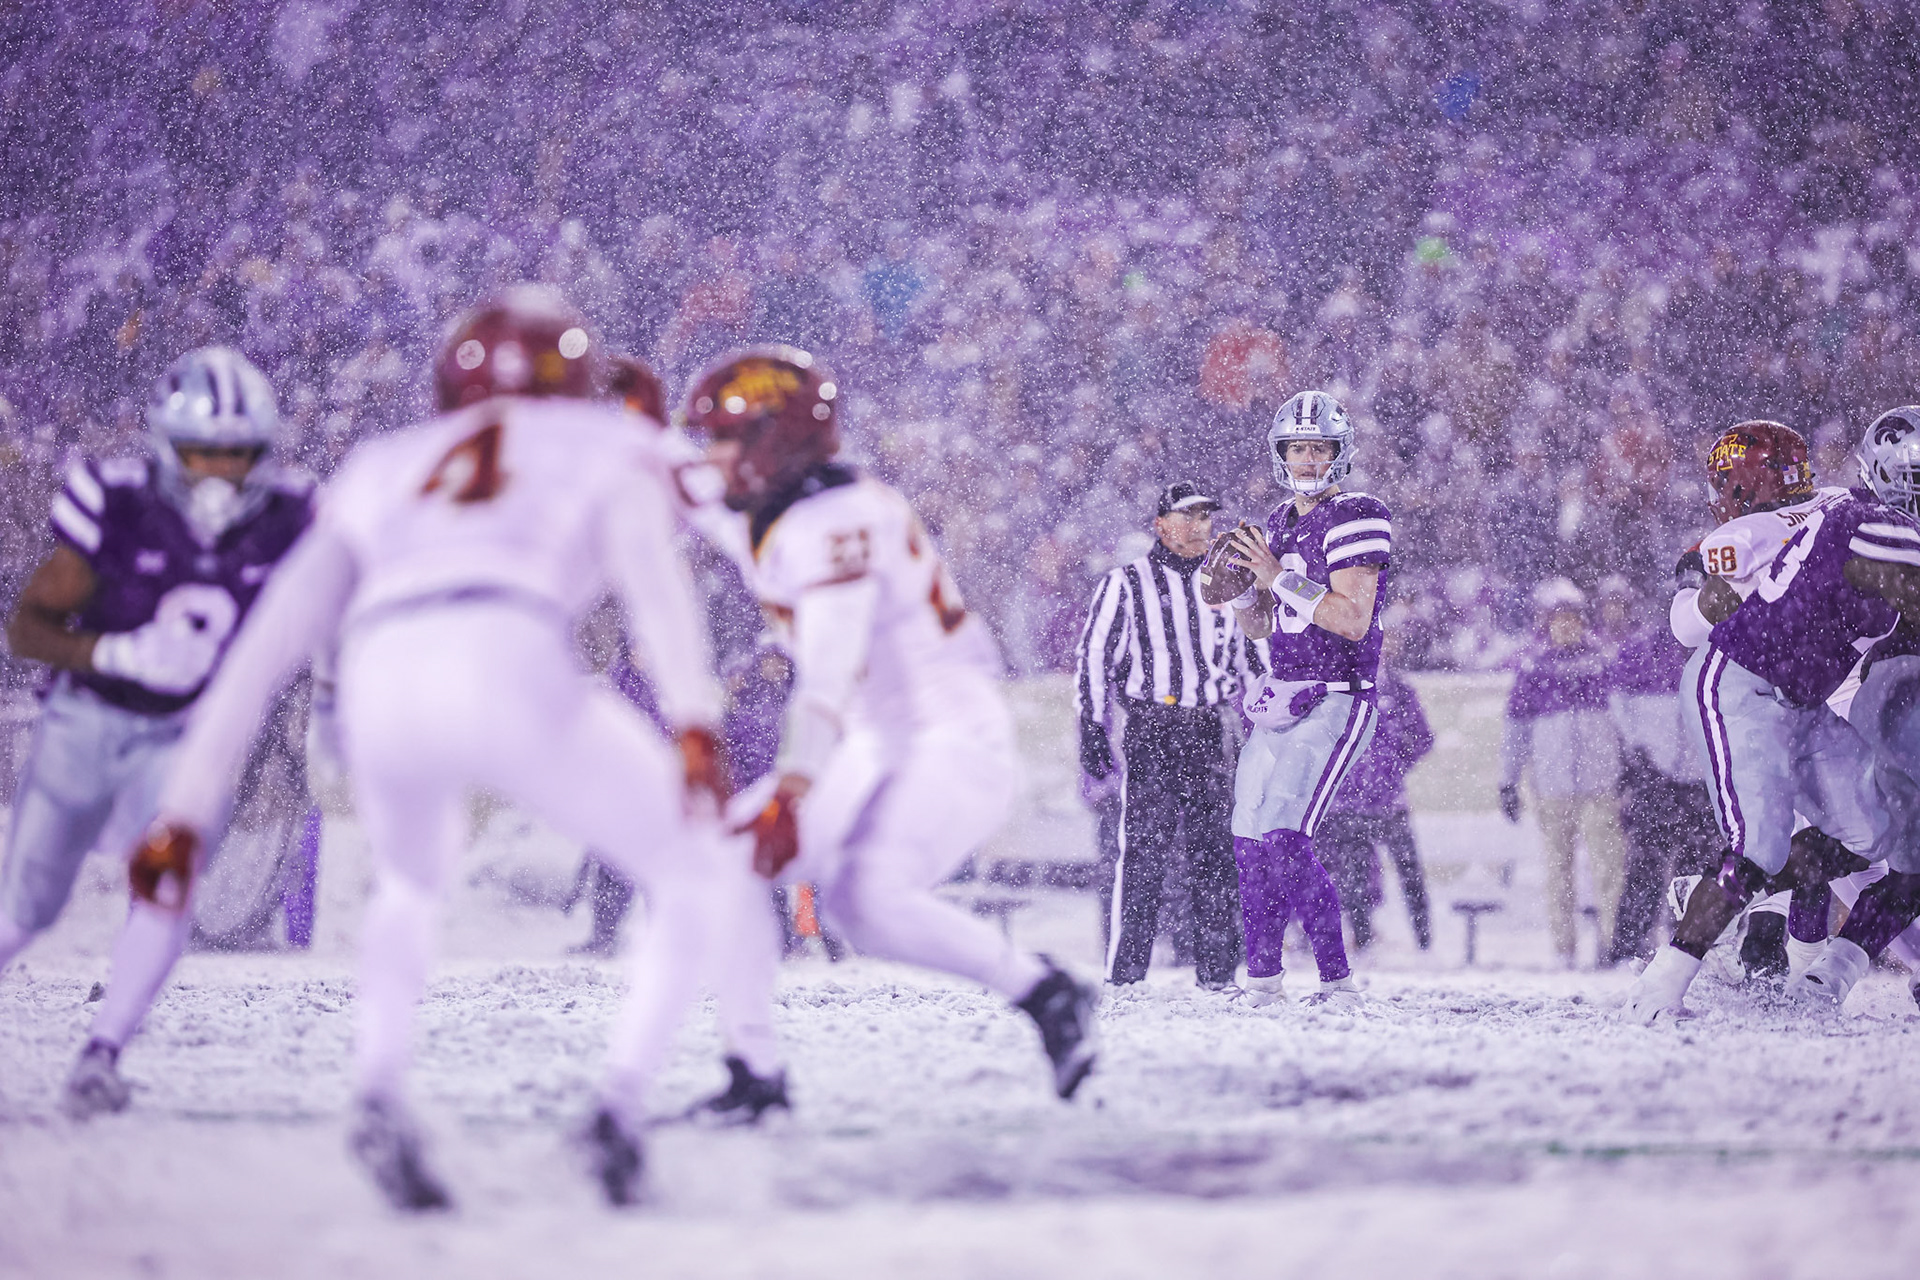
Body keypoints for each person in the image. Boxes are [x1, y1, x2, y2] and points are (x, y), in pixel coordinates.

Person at [133, 291, 775, 1210]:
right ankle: (619, 1106)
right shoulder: (605, 441)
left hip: (382, 670)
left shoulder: (384, 462)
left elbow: (267, 642)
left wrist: (182, 812)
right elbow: (653, 581)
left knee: (409, 881)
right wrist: (694, 718)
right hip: (511, 645)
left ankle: (379, 1088)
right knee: (694, 867)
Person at [682, 345, 1100, 1101]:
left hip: (950, 733)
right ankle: (755, 1070)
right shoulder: (775, 504)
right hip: (876, 739)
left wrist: (795, 785)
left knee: (869, 897)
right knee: (736, 862)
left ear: (775, 442)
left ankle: (1046, 993)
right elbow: (680, 483)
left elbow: (829, 671)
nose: (713, 457)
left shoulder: (838, 520)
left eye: (727, 439)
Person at [0, 347, 312, 1117]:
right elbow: (27, 628)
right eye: (202, 452)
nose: (220, 471)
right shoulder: (116, 500)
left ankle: (101, 1053)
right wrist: (112, 651)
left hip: (188, 734)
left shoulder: (292, 516)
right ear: (166, 445)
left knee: (166, 885)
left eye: (238, 454)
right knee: (29, 905)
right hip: (89, 716)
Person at [1623, 420, 1916, 1023]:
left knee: (1891, 833)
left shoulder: (1832, 505)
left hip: (1804, 701)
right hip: (1739, 681)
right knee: (1758, 842)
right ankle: (1658, 990)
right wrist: (1702, 593)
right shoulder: (1860, 519)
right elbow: (1695, 587)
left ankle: (1757, 908)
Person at [1219, 389, 1392, 1006]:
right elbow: (1263, 626)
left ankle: (1337, 983)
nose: (1308, 460)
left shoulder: (1358, 514)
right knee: (1248, 840)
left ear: (1340, 453)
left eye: (1319, 448)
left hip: (1338, 696)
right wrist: (1243, 593)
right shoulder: (1278, 522)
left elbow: (1350, 619)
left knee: (1285, 835)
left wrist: (1275, 576)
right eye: (1297, 449)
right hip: (1282, 696)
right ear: (1280, 454)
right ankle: (1263, 981)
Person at [1074, 480, 1260, 991]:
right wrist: (1091, 724)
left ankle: (1218, 973)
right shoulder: (1126, 583)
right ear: (1160, 525)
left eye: (1204, 517)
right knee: (1143, 855)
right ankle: (1127, 974)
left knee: (1216, 855)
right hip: (1153, 727)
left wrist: (1269, 719)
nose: (1198, 526)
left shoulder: (1229, 581)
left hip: (1210, 728)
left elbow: (1253, 658)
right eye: (1186, 516)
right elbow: (1095, 655)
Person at [1498, 579, 1627, 967]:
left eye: (1572, 618)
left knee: (1610, 867)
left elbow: (1624, 722)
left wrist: (1629, 768)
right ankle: (1563, 948)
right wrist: (1507, 781)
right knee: (1558, 871)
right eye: (1559, 619)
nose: (1566, 625)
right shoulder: (1533, 670)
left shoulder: (1604, 664)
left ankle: (1614, 944)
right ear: (1547, 623)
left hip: (1601, 783)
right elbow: (1515, 732)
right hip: (1552, 786)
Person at [1605, 588, 1724, 966]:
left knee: (1696, 872)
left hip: (1702, 782)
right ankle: (1628, 947)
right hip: (1656, 779)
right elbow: (1617, 703)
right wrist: (1638, 750)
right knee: (1645, 868)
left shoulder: (1720, 646)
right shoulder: (1640, 651)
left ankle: (1689, 949)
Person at [1316, 611, 1434, 951]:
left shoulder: (1399, 690)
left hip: (1389, 800)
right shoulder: (1335, 687)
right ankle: (1363, 939)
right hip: (1346, 802)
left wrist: (1394, 764)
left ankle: (1425, 941)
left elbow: (1422, 737)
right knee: (1354, 876)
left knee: (1409, 872)